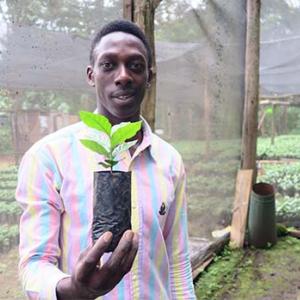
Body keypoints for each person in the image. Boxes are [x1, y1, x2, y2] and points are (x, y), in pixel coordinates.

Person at [16, 20, 196, 299]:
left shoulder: (169, 160)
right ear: (91, 75)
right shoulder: (48, 157)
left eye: (135, 66)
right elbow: (34, 264)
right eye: (108, 65)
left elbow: (177, 258)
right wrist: (73, 289)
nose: (123, 76)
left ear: (150, 76)